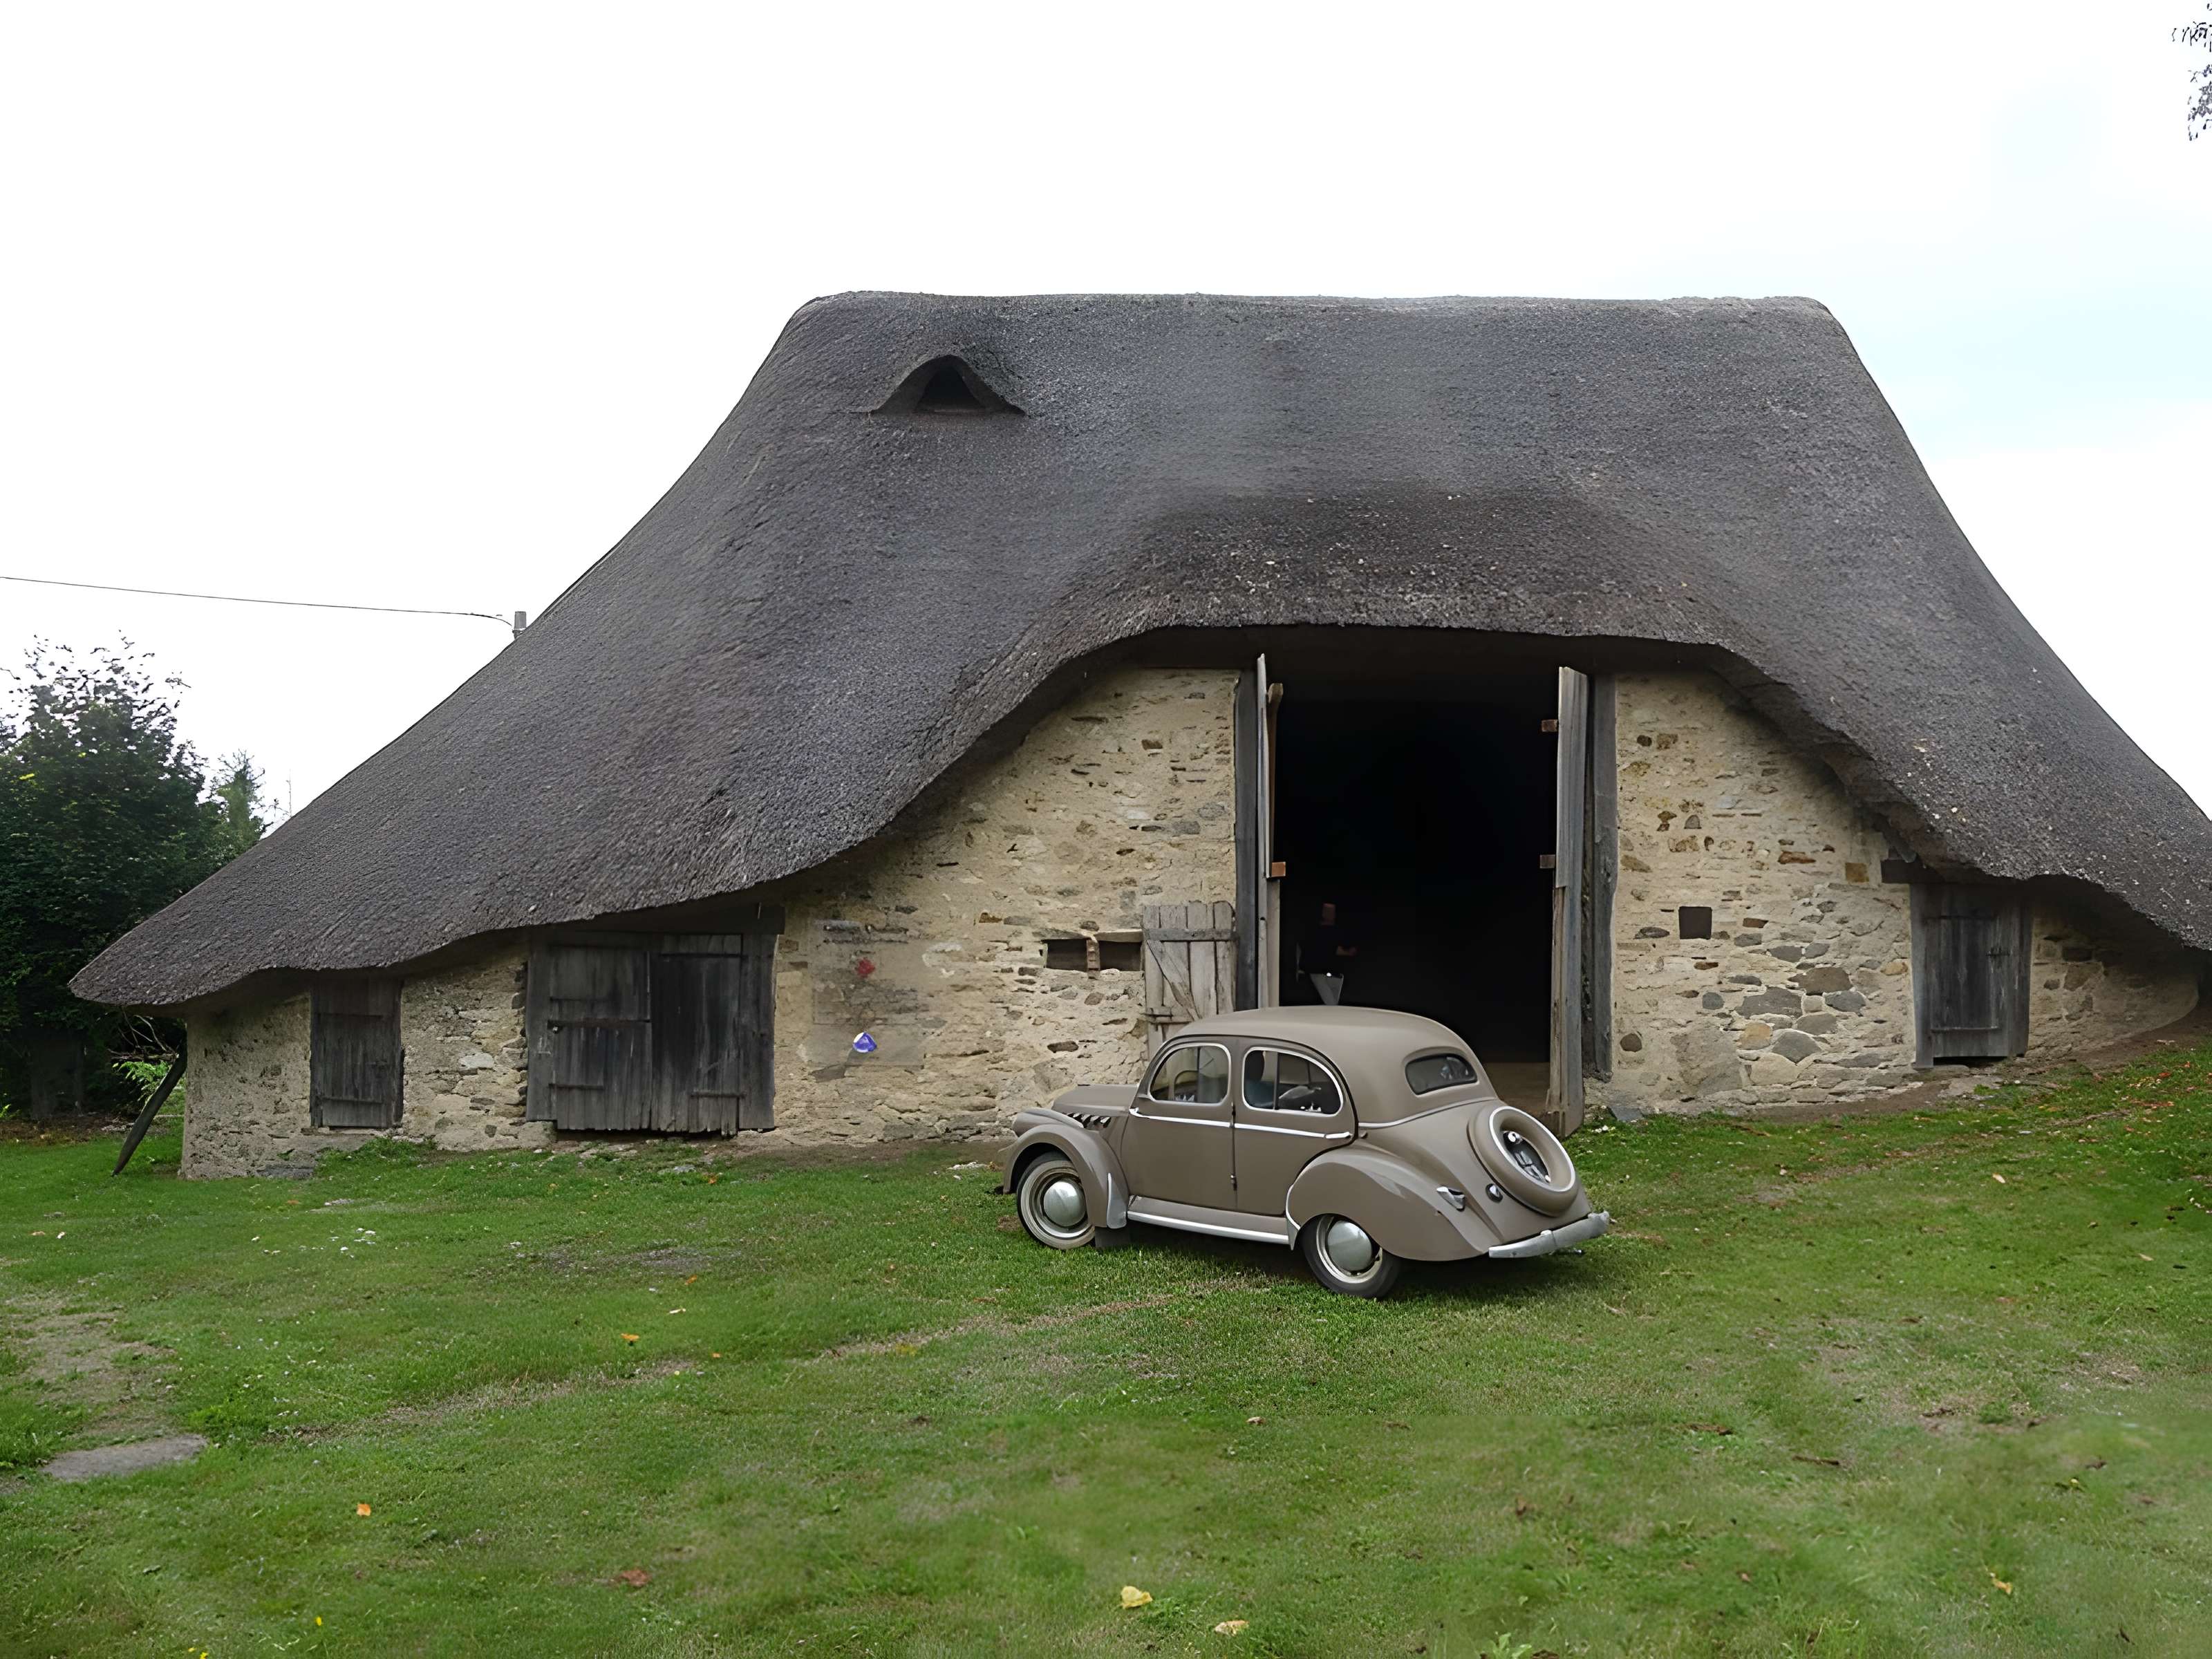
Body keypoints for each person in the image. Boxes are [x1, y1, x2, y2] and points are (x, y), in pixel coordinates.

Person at [1300, 899, 1359, 1005]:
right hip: (1318, 973)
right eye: (1327, 911)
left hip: (1335, 975)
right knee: (1330, 1004)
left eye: (1332, 911)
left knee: (1333, 1005)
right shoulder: (1315, 931)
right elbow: (1334, 949)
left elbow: (1342, 948)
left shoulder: (1337, 931)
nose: (1330, 914)